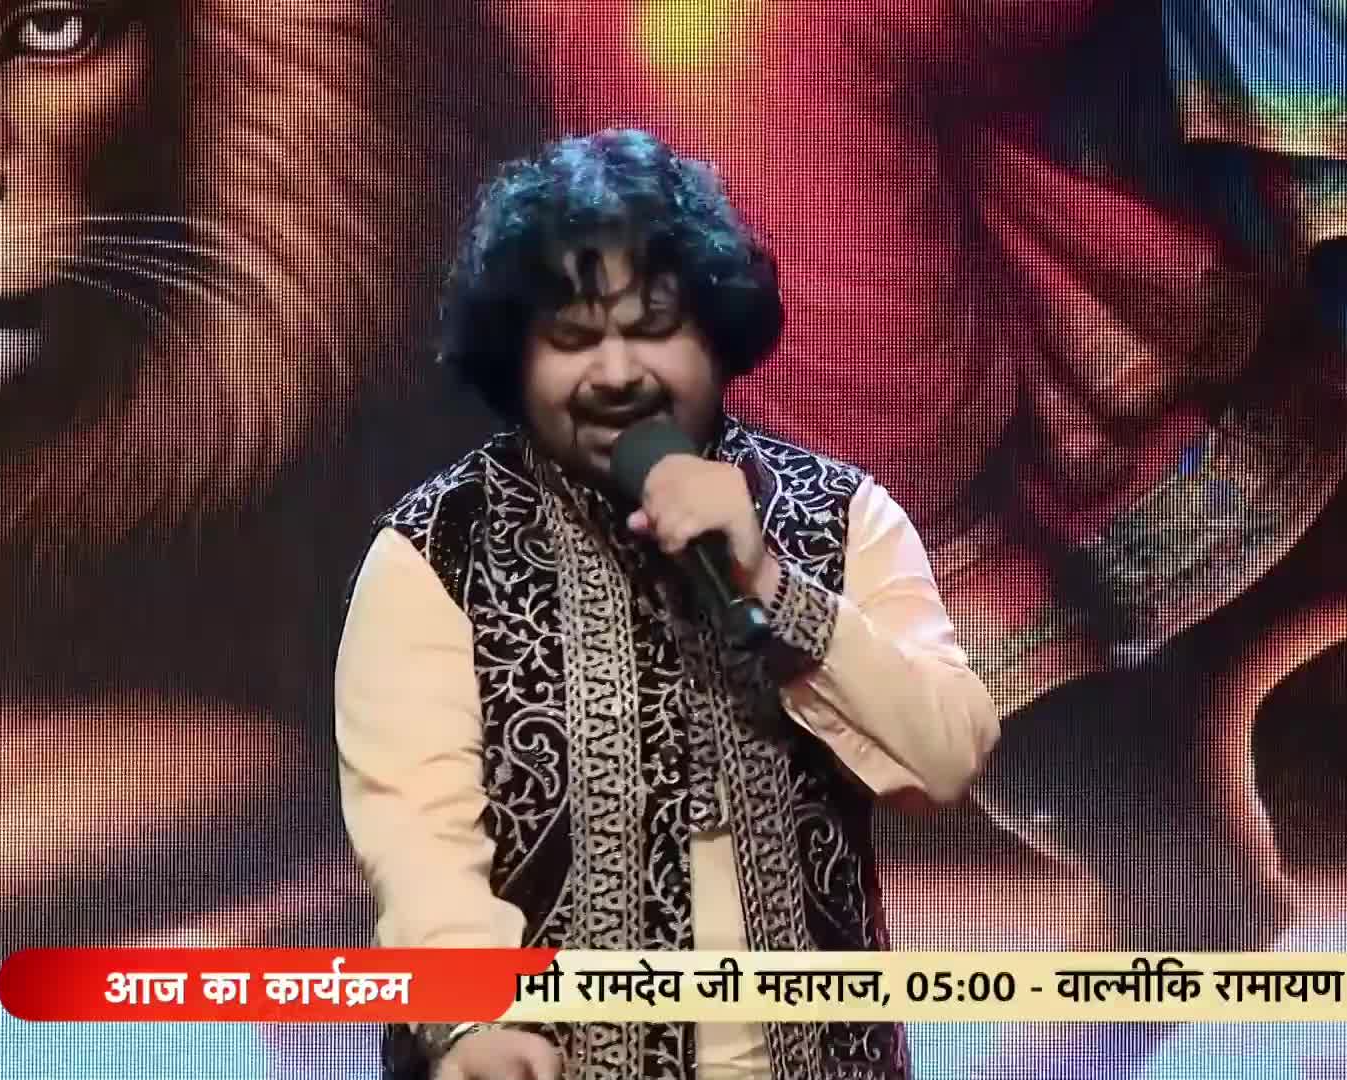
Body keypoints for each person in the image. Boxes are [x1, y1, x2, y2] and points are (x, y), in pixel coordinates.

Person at [333, 127, 1000, 1080]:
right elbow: (420, 838)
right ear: (516, 362)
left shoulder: (842, 516)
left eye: (652, 329)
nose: (616, 373)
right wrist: (470, 1025)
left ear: (718, 338)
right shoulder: (433, 551)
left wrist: (772, 585)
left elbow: (945, 759)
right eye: (571, 337)